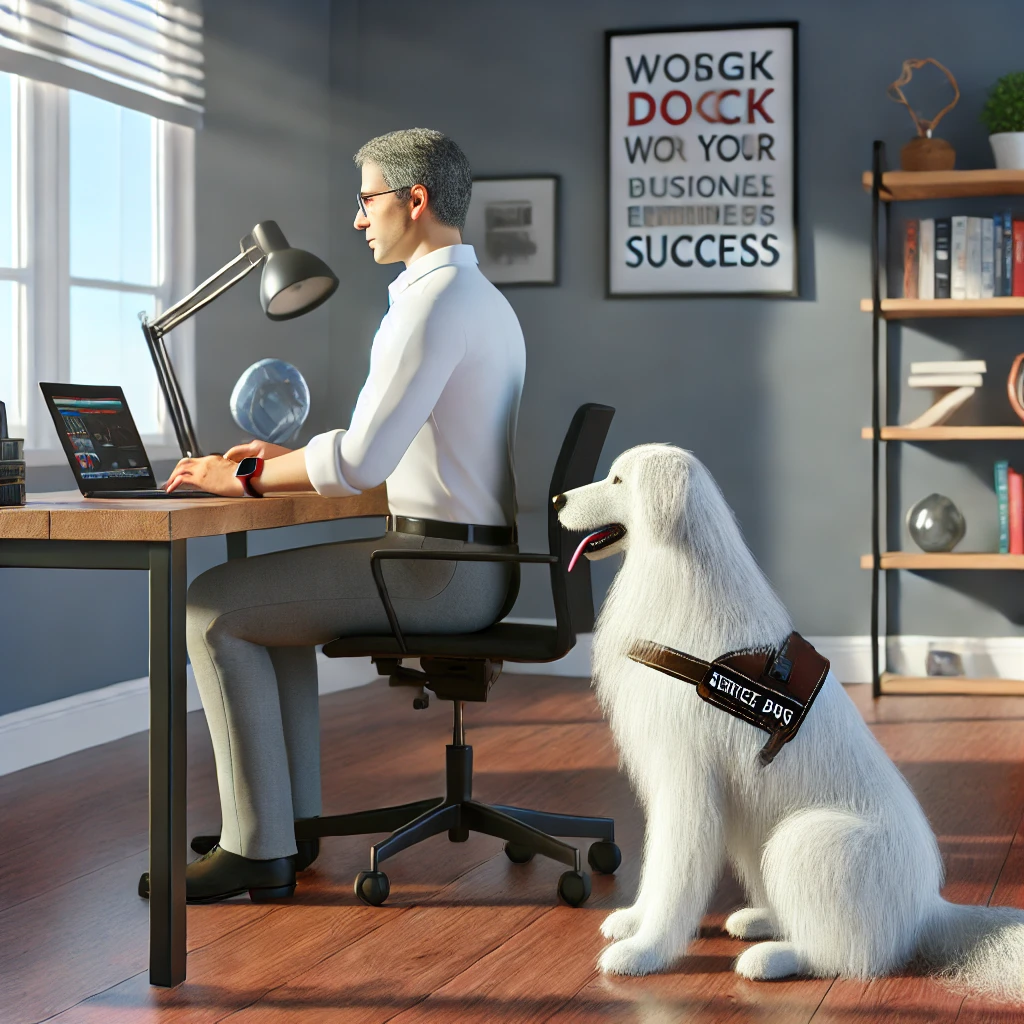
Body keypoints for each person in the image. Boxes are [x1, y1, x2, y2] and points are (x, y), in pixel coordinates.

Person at [138, 128, 526, 903]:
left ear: (415, 202)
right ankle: (286, 826)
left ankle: (257, 849)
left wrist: (239, 474)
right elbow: (383, 446)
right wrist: (272, 461)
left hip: (439, 571)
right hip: (466, 559)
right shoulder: (475, 298)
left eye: (367, 200)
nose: (358, 221)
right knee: (259, 608)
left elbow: (358, 464)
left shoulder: (433, 305)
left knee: (215, 607)